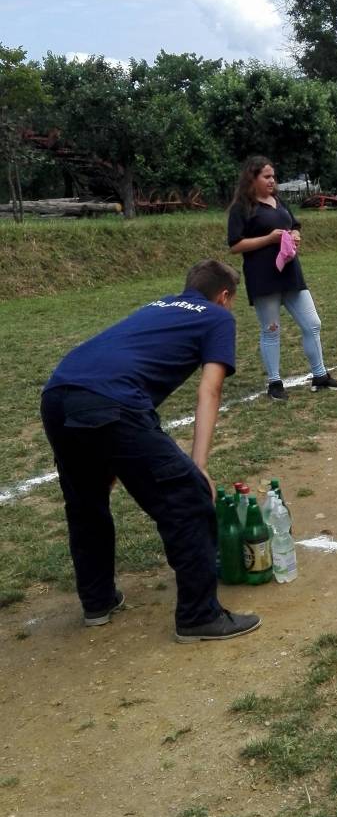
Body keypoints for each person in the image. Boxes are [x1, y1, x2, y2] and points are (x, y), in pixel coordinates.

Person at [40, 260, 261, 643]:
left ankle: (98, 602)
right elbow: (210, 390)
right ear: (224, 296)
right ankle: (199, 617)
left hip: (59, 393)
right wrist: (200, 467)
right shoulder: (218, 317)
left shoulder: (158, 305)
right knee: (188, 496)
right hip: (110, 402)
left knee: (86, 502)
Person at [227, 155, 337, 401]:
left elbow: (295, 224)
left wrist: (295, 234)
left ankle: (320, 376)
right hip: (263, 277)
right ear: (253, 178)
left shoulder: (278, 201)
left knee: (312, 323)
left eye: (273, 177)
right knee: (271, 330)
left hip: (291, 274)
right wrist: (268, 239)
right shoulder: (241, 208)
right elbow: (235, 245)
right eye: (266, 177)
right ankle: (274, 383)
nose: (272, 181)